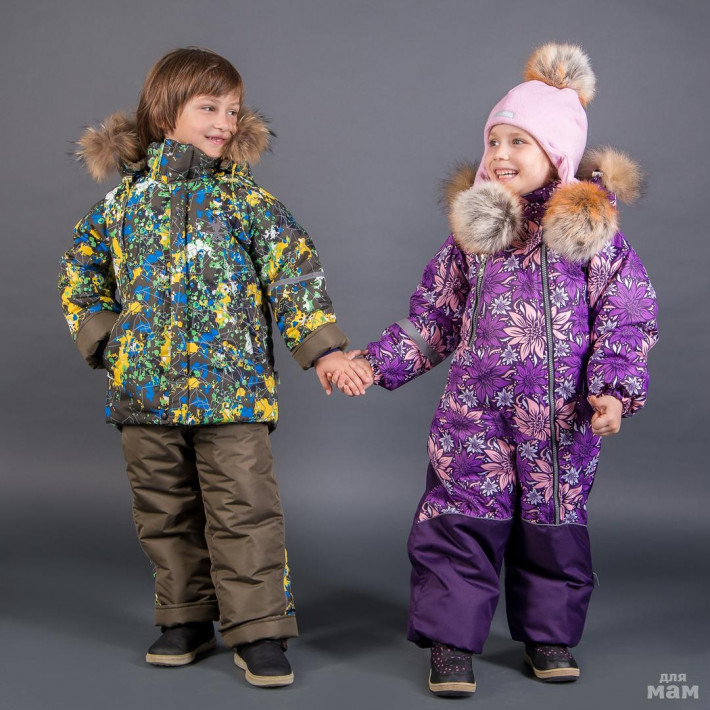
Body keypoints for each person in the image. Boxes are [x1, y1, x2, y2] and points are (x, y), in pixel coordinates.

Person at [334, 43, 657, 696]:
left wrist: (613, 391)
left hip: (560, 422)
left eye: (519, 141)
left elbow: (627, 317)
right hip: (473, 416)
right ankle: (451, 643)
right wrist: (372, 363)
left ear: (557, 154)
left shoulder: (593, 239)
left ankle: (549, 636)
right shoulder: (472, 237)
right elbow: (434, 318)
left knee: (553, 526)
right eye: (494, 140)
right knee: (459, 518)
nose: (501, 154)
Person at [59, 46, 370, 688]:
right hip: (144, 392)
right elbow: (79, 271)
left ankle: (258, 629)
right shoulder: (123, 205)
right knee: (165, 512)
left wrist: (324, 348)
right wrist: (108, 340)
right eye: (209, 107)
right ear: (164, 113)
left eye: (233, 109)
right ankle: (186, 617)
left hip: (233, 393)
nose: (225, 121)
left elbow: (293, 274)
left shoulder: (246, 202)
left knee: (244, 510)